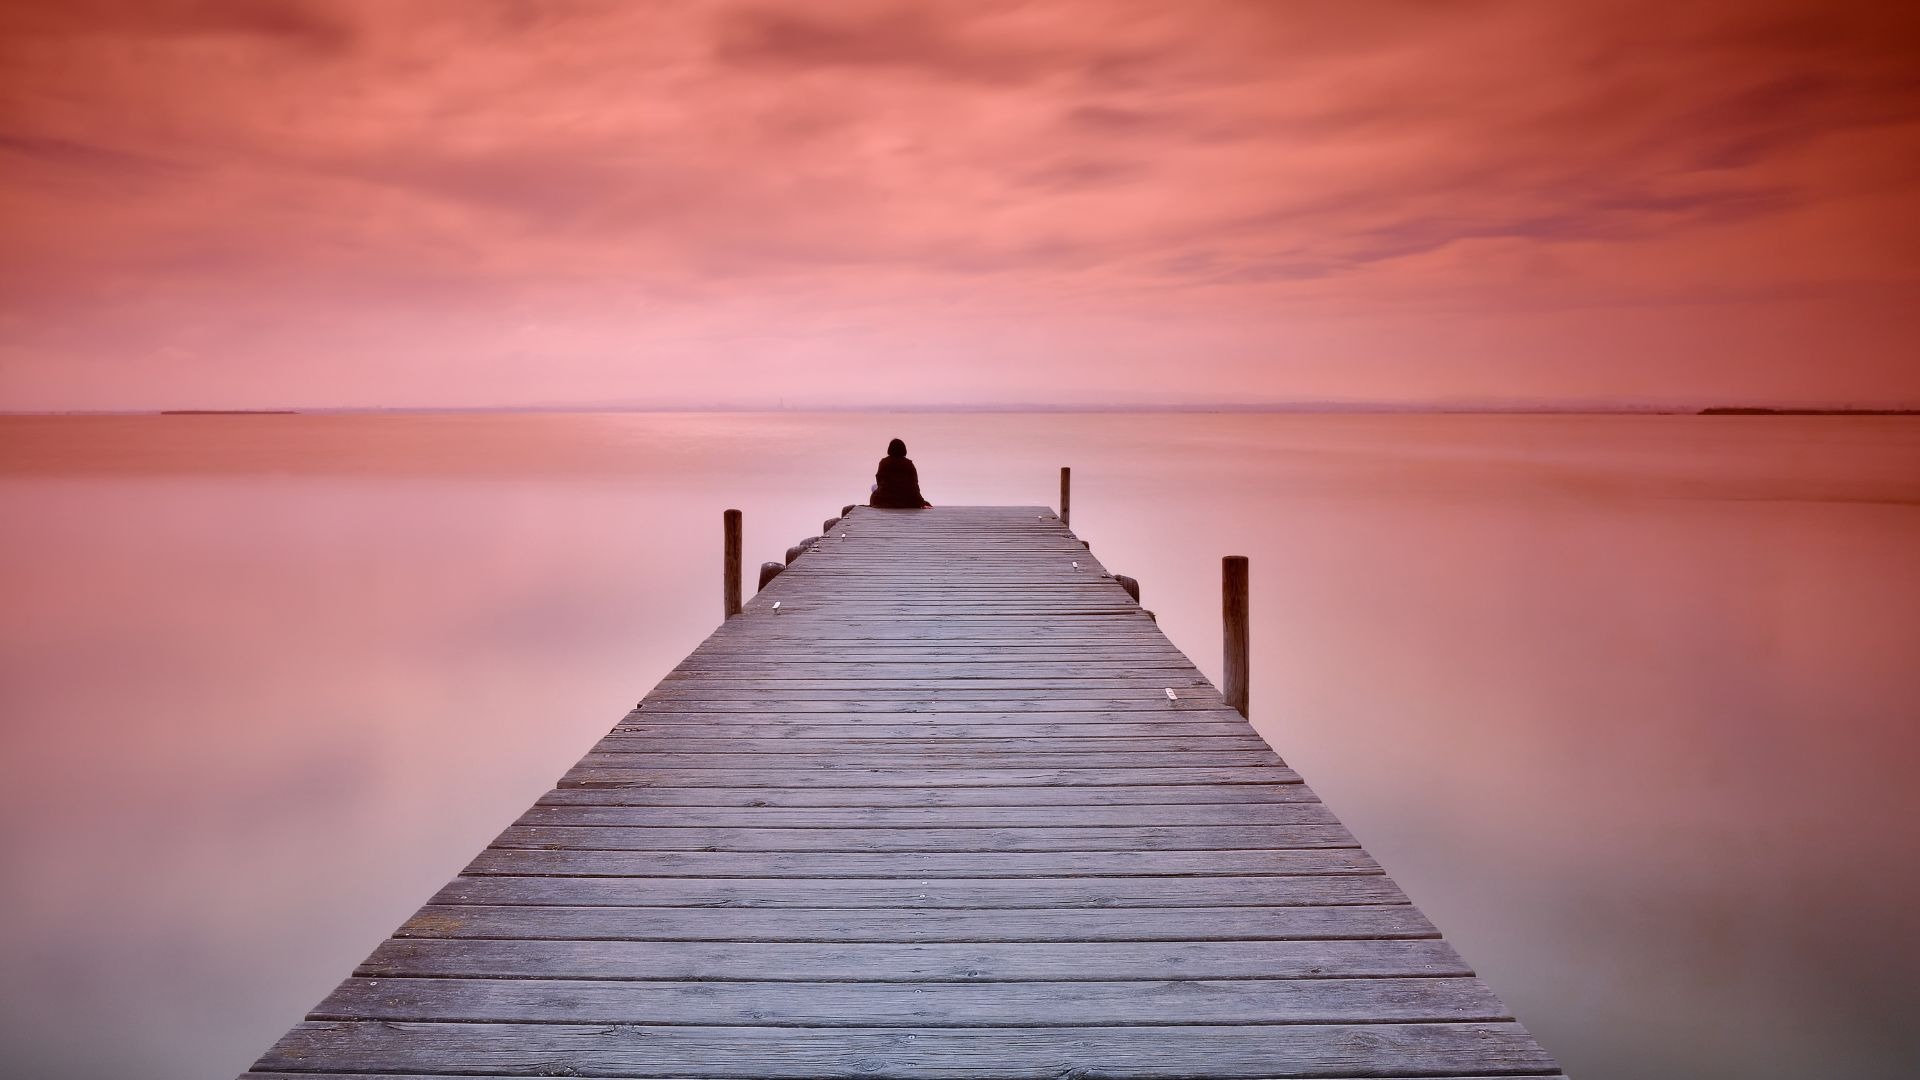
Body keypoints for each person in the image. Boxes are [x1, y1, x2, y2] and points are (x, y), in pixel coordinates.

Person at [868, 437, 932, 508]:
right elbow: (914, 485)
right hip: (905, 500)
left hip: (885, 499)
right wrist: (921, 502)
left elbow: (879, 481)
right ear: (904, 449)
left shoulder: (884, 463)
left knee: (874, 487)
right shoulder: (909, 464)